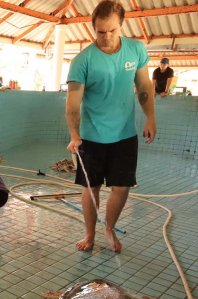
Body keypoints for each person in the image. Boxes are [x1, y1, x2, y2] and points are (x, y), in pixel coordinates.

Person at [65, 0, 156, 253]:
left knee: (122, 186)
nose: (106, 37)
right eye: (100, 32)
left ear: (122, 26)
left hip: (125, 134)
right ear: (93, 29)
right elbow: (73, 102)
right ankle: (90, 233)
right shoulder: (82, 60)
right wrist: (74, 134)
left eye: (112, 31)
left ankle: (109, 227)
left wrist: (150, 117)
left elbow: (144, 86)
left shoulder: (136, 50)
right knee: (90, 187)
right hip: (91, 137)